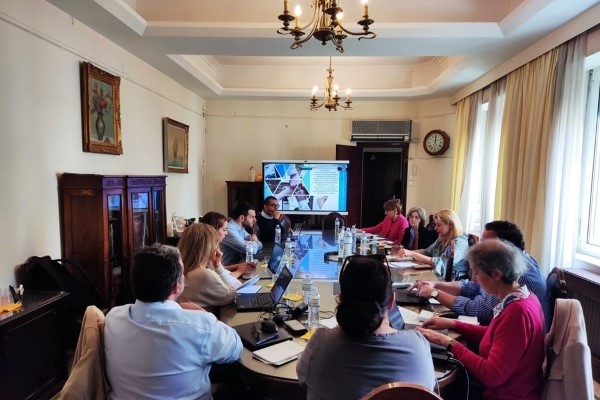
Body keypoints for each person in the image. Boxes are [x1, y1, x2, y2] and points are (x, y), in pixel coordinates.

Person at [104, 244, 242, 400]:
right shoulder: (200, 325)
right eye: (182, 273)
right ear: (177, 287)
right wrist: (202, 314)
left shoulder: (112, 319)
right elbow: (235, 350)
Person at [416, 239, 545, 400]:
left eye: (477, 273)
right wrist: (453, 324)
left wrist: (448, 342)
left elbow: (492, 375)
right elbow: (497, 335)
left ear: (496, 274)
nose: (475, 279)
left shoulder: (517, 313)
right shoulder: (525, 297)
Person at [297, 256, 436, 399]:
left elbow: (302, 380)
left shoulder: (320, 344)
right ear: (391, 301)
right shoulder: (418, 346)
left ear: (340, 299)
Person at [408, 220, 551, 327]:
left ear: (502, 247)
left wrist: (435, 293)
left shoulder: (519, 274)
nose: (480, 247)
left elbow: (480, 310)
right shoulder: (511, 262)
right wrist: (436, 284)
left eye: (485, 243)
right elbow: (474, 286)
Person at [398, 208, 468, 281]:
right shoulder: (442, 238)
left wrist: (412, 253)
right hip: (436, 278)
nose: (435, 228)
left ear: (450, 225)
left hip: (451, 284)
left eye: (439, 225)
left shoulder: (460, 243)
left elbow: (441, 263)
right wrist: (406, 252)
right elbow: (427, 251)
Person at [177, 223, 237, 308]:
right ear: (210, 247)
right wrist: (217, 266)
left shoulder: (177, 271)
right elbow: (232, 295)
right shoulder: (204, 275)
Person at [200, 211, 255, 288]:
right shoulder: (207, 253)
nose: (226, 233)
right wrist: (239, 271)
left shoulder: (212, 247)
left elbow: (219, 269)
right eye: (224, 230)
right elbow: (219, 280)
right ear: (213, 230)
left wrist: (240, 265)